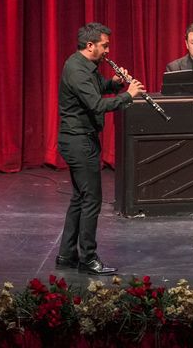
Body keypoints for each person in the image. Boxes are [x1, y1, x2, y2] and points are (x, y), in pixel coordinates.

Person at [56, 23, 144, 275]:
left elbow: (98, 89)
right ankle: (88, 259)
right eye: (104, 45)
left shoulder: (85, 66)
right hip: (78, 141)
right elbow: (95, 105)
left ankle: (66, 254)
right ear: (90, 45)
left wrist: (115, 83)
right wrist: (128, 95)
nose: (108, 50)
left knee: (79, 199)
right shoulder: (77, 69)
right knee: (92, 200)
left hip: (82, 138)